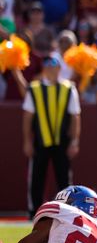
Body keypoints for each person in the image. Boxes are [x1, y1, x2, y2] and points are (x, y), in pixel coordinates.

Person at [22, 53, 81, 218]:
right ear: (44, 69)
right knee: (37, 177)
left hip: (62, 140)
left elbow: (76, 116)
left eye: (54, 67)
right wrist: (27, 141)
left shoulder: (68, 88)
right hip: (41, 140)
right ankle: (34, 211)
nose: (51, 70)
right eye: (48, 67)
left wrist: (74, 141)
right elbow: (28, 116)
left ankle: (66, 212)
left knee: (64, 178)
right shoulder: (34, 89)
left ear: (59, 69)